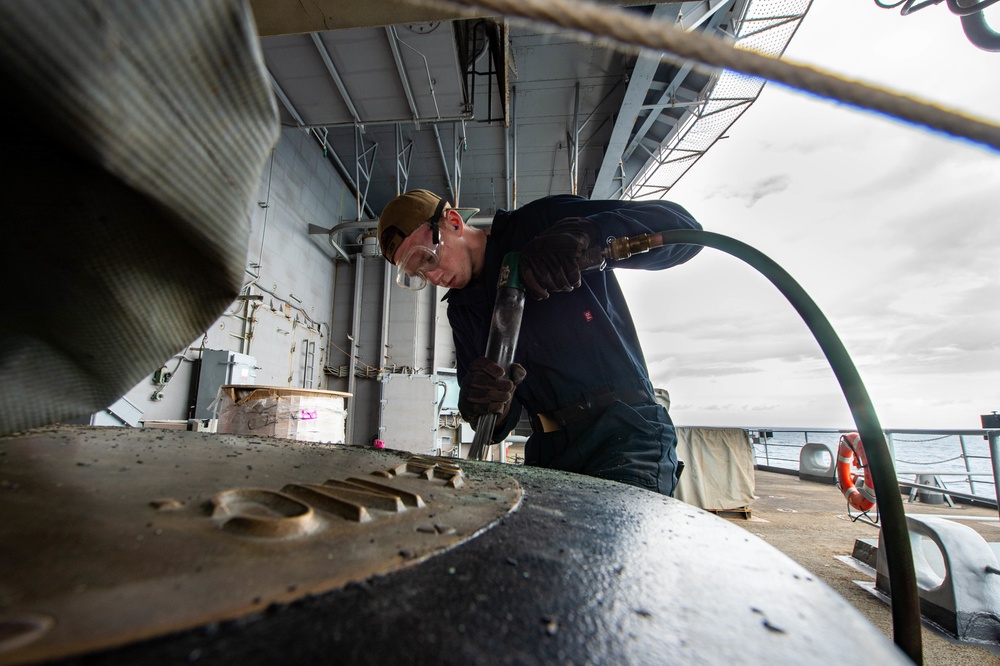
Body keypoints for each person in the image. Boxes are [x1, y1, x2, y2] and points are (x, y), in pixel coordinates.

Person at [377, 189, 702, 496]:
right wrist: (488, 406)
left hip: (623, 432)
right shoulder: (463, 312)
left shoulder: (538, 222)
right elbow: (492, 426)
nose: (432, 277)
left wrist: (589, 234)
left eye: (429, 258)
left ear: (454, 222)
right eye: (420, 274)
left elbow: (685, 231)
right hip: (549, 450)